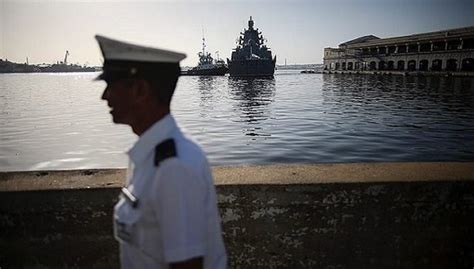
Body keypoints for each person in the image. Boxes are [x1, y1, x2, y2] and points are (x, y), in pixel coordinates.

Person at [95, 35, 227, 269]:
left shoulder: (174, 167)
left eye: (111, 85)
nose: (104, 96)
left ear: (140, 90)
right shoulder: (151, 154)